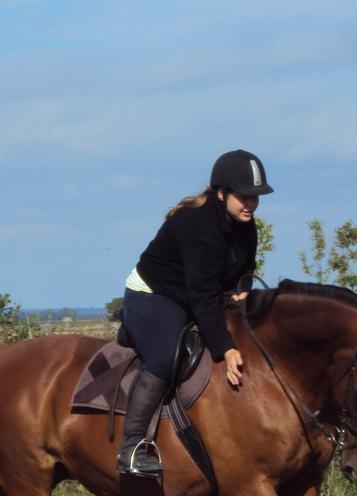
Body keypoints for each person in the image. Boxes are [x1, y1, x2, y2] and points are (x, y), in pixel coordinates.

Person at [116, 148, 273, 477]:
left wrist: (243, 293)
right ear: (221, 192)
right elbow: (202, 297)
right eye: (244, 197)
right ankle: (131, 448)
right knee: (164, 355)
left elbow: (242, 273)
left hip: (195, 297)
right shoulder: (196, 225)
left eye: (255, 198)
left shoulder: (247, 227)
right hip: (154, 295)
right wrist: (225, 348)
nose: (250, 204)